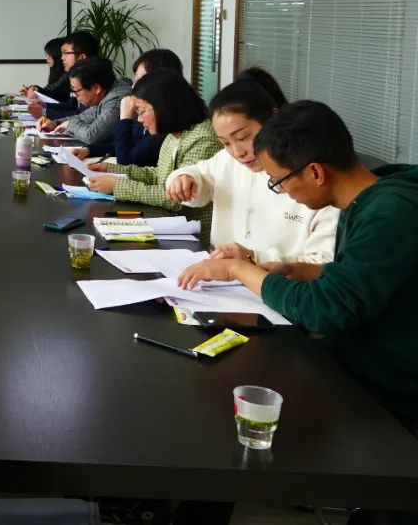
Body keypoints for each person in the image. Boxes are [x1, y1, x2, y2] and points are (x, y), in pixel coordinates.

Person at [177, 102, 418, 454]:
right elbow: (358, 275)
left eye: (279, 182)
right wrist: (295, 269)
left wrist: (238, 270)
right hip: (353, 364)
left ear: (316, 172)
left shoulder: (390, 213)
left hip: (387, 391)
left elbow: (326, 307)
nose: (282, 192)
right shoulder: (367, 199)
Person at [165, 80, 338, 264]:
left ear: (273, 120)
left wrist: (254, 258)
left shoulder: (311, 179)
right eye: (225, 143)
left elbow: (321, 264)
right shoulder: (227, 161)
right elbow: (198, 174)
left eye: (243, 137)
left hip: (273, 280)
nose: (237, 152)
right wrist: (183, 178)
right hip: (220, 273)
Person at [84, 68, 221, 228]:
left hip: (192, 234)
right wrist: (111, 168)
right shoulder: (173, 135)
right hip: (169, 223)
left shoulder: (203, 138)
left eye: (142, 111)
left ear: (164, 106)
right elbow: (158, 175)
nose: (139, 119)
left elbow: (177, 199)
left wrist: (117, 186)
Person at [73, 47, 184, 165]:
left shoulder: (165, 122)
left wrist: (125, 117)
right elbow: (128, 142)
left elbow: (126, 161)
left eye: (139, 80)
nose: (133, 87)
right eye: (134, 79)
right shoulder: (152, 112)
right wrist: (89, 150)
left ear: (160, 81)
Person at [40, 57, 131, 145]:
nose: (76, 97)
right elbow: (83, 117)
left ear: (96, 88)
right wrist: (56, 123)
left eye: (77, 91)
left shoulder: (116, 101)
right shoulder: (104, 94)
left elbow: (91, 136)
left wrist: (69, 125)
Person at [24, 32, 99, 121]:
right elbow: (72, 104)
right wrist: (45, 105)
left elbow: (82, 115)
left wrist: (45, 112)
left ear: (82, 57)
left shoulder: (92, 79)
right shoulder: (78, 76)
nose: (62, 58)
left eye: (66, 53)